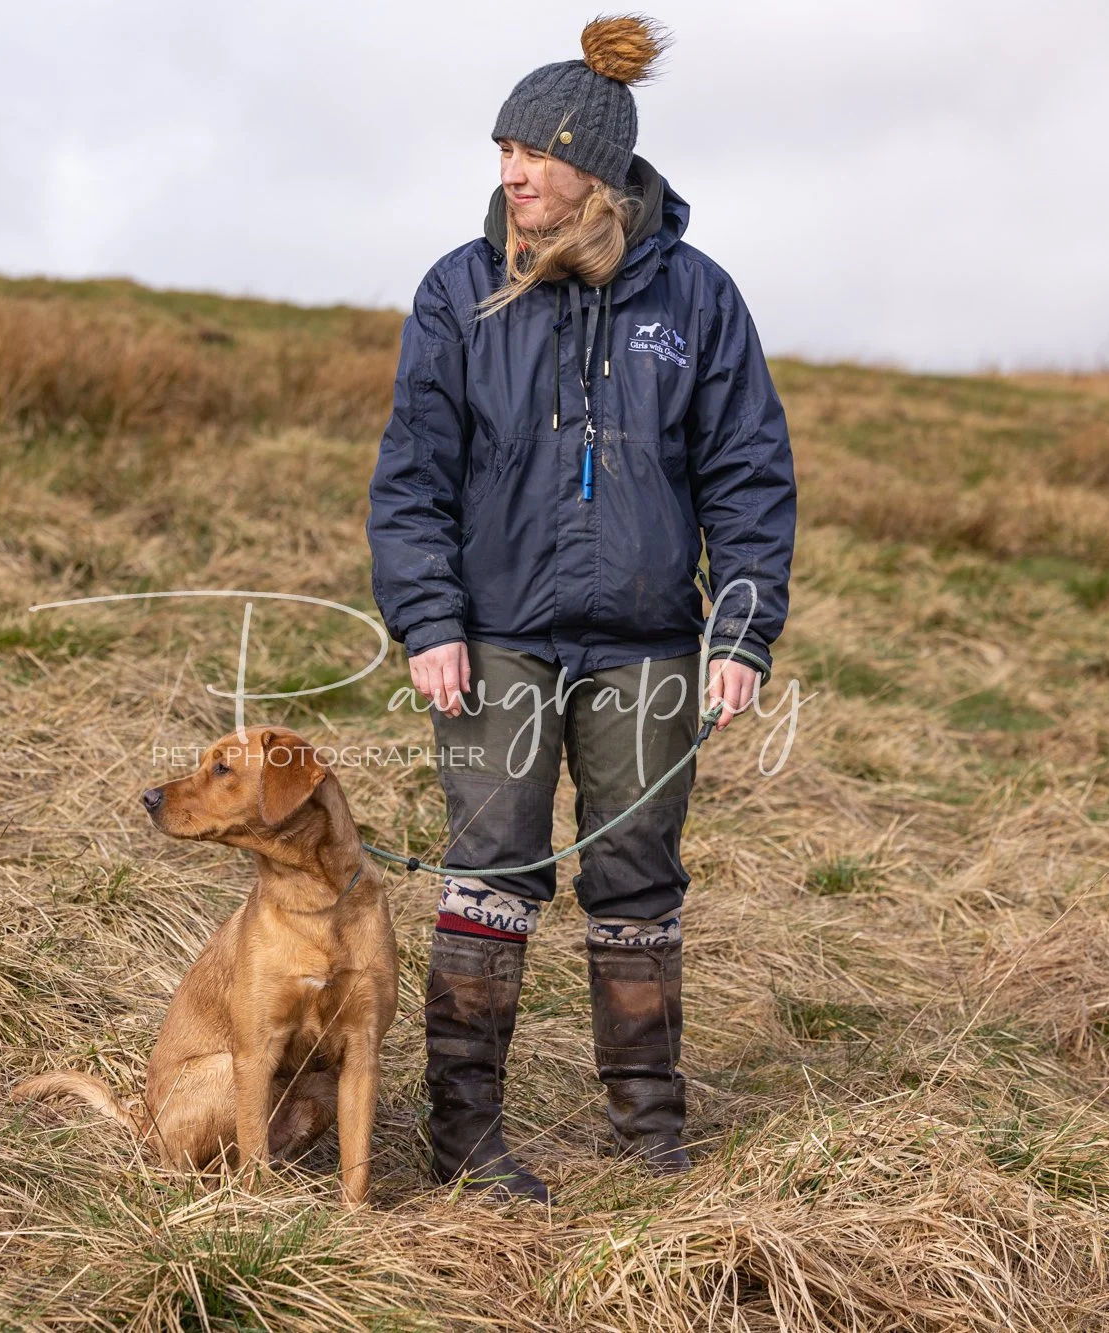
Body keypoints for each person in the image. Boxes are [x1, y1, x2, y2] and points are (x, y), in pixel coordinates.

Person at [366, 15, 797, 1203]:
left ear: (593, 169)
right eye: (503, 150)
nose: (511, 172)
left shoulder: (697, 300)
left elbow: (747, 475)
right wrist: (427, 619)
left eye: (535, 153)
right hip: (491, 635)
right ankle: (464, 1138)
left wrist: (739, 631)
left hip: (648, 645)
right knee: (491, 869)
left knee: (637, 875)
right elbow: (411, 476)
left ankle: (648, 1132)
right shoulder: (459, 291)